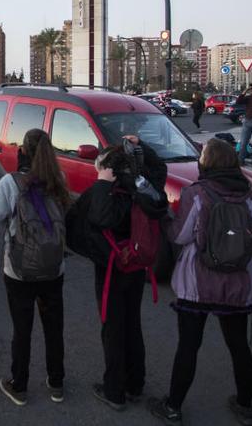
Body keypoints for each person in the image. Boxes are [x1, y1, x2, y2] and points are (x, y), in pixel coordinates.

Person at [149, 138, 252, 426]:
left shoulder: (197, 193)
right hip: (237, 286)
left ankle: (173, 406)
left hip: (197, 284)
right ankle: (244, 403)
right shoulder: (248, 196)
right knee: (239, 346)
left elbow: (180, 236)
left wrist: (167, 221)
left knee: (188, 346)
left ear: (204, 163)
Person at [0, 129, 72, 406]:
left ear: (24, 152)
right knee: (54, 327)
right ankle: (56, 383)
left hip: (19, 269)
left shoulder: (10, 183)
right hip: (54, 266)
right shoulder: (59, 179)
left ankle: (19, 384)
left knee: (22, 328)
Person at [71, 138, 168, 412]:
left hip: (113, 267)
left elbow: (100, 218)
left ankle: (115, 390)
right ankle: (135, 383)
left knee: (113, 328)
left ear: (108, 169)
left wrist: (102, 182)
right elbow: (159, 168)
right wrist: (143, 148)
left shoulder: (109, 192)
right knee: (132, 323)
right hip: (136, 265)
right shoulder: (144, 187)